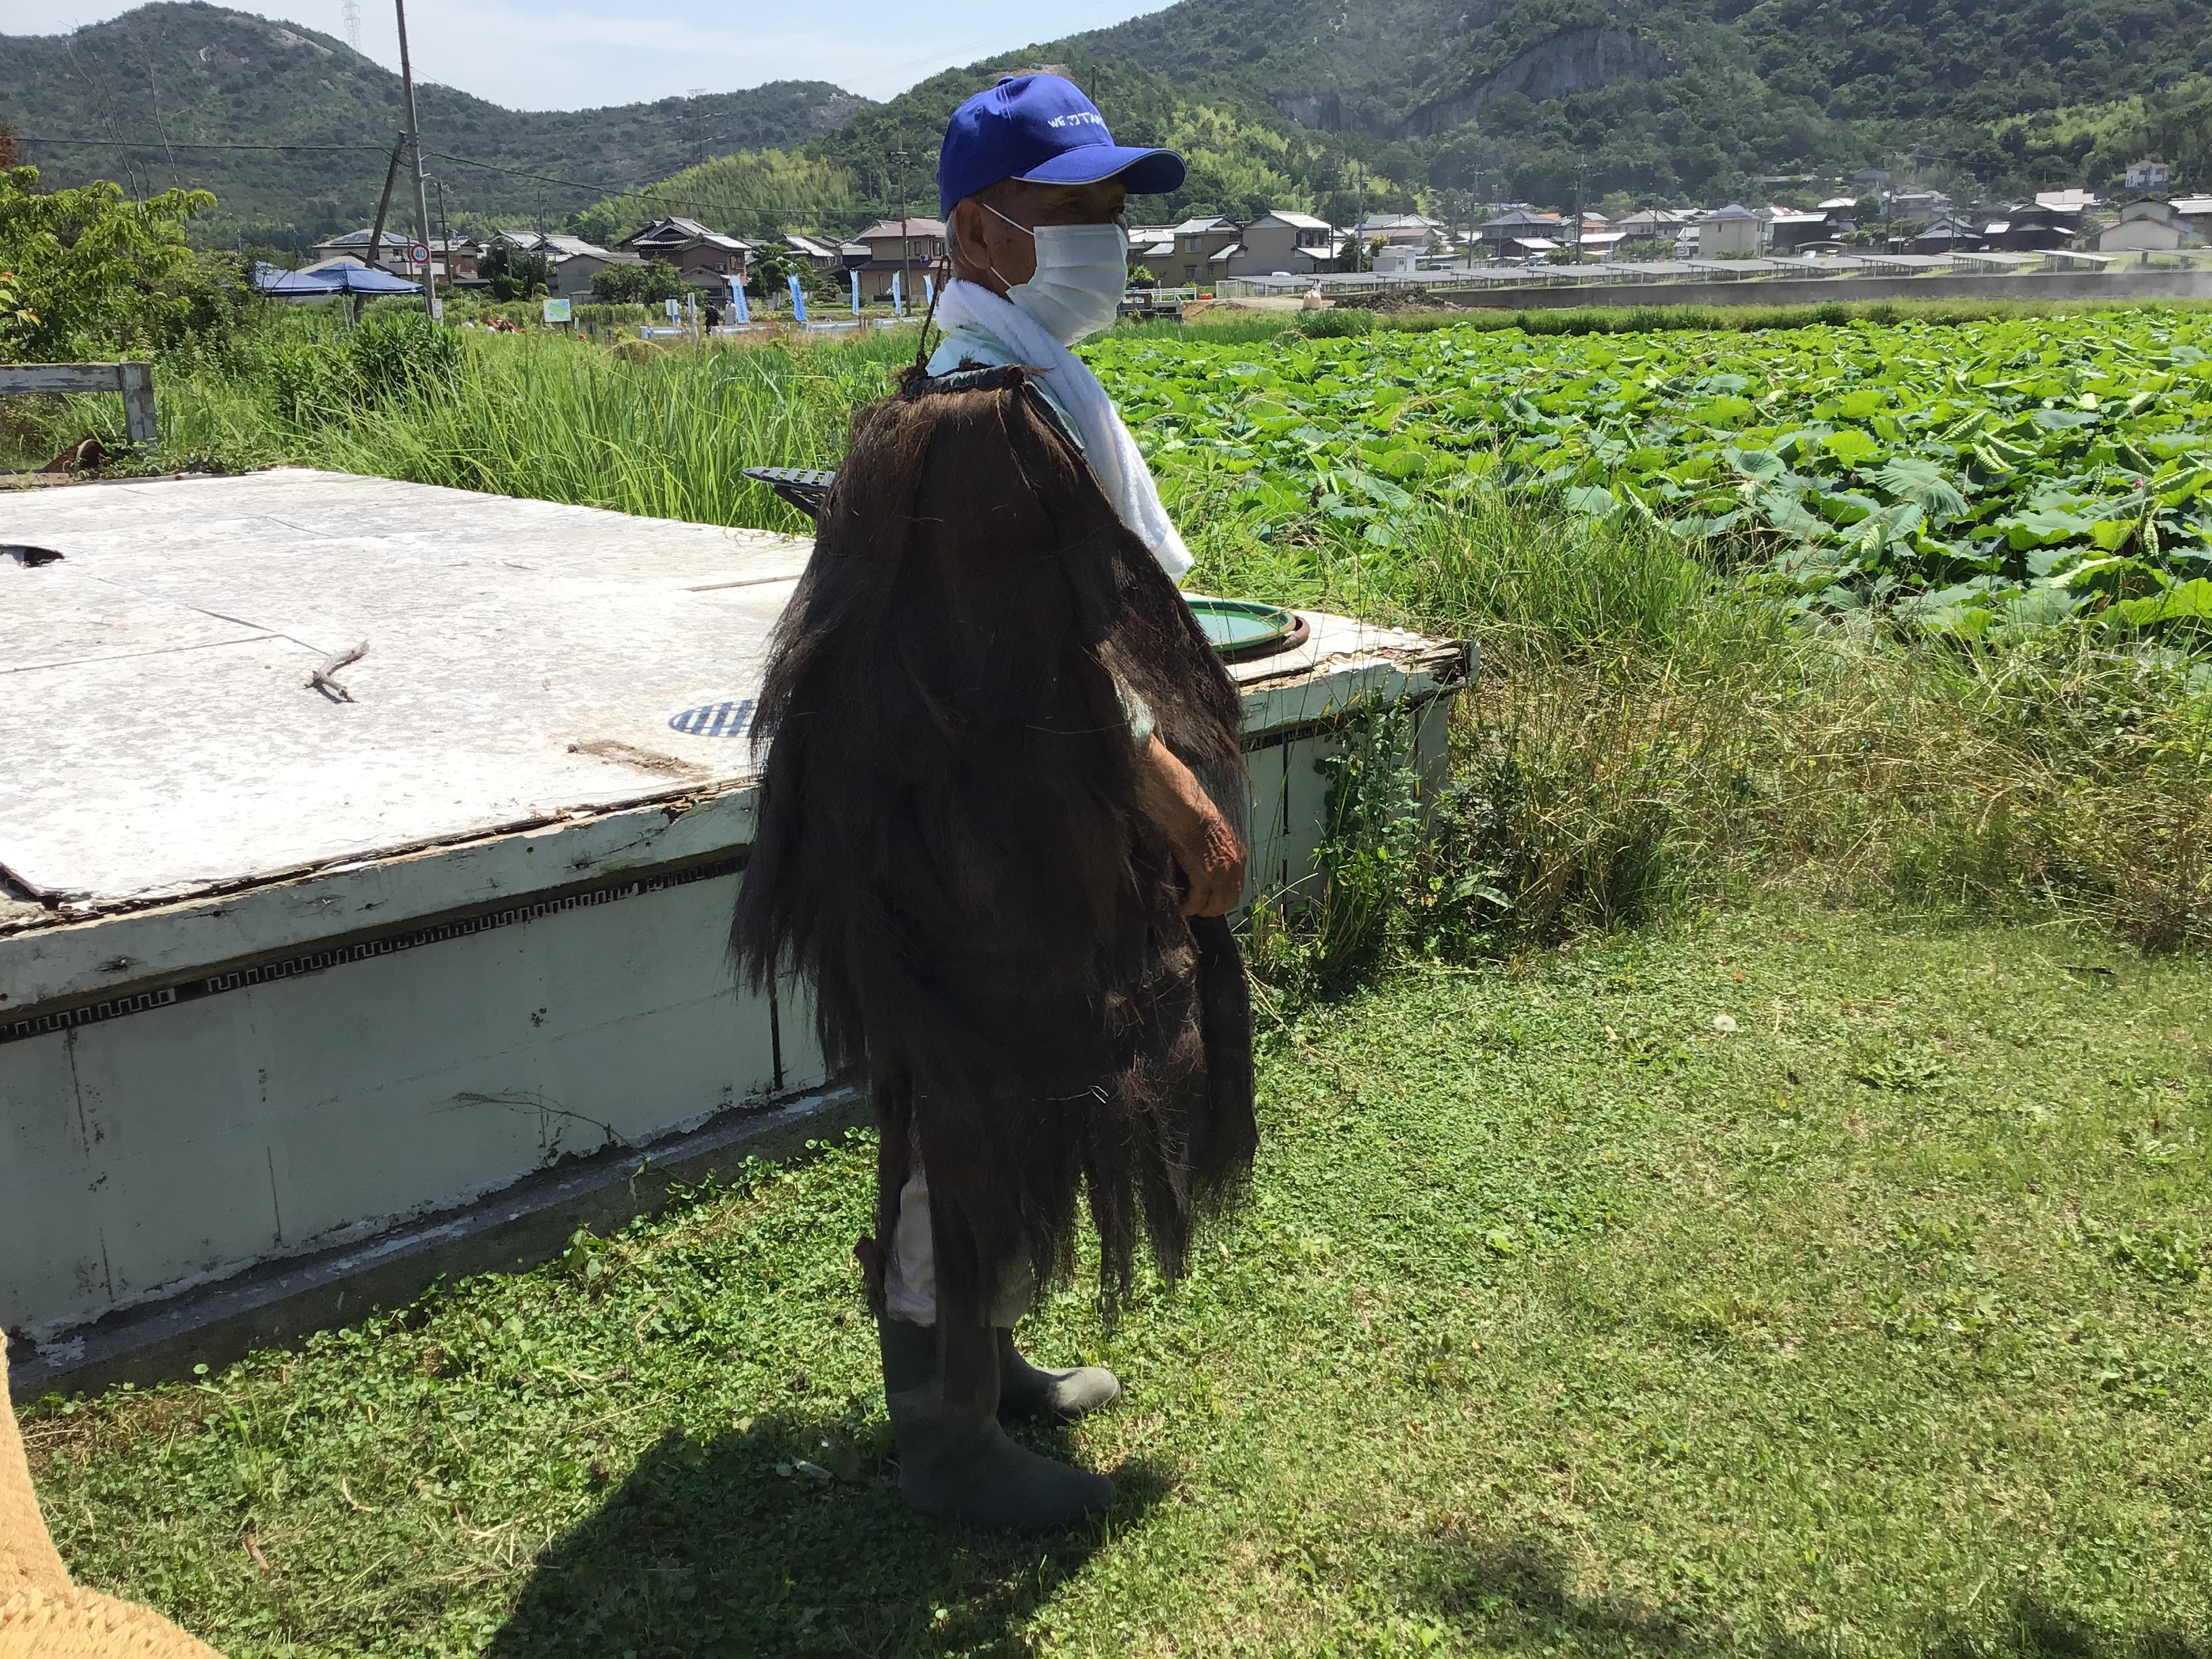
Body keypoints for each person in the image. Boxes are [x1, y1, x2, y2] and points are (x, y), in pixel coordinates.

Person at [733, 75, 1254, 1532]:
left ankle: (994, 1358)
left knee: (1033, 1092)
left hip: (1015, 828)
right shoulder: (980, 417)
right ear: (978, 230)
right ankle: (946, 1441)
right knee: (965, 1115)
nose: (1106, 237)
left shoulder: (1020, 387)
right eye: (1071, 208)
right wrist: (1183, 806)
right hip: (975, 847)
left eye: (1113, 208)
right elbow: (1059, 671)